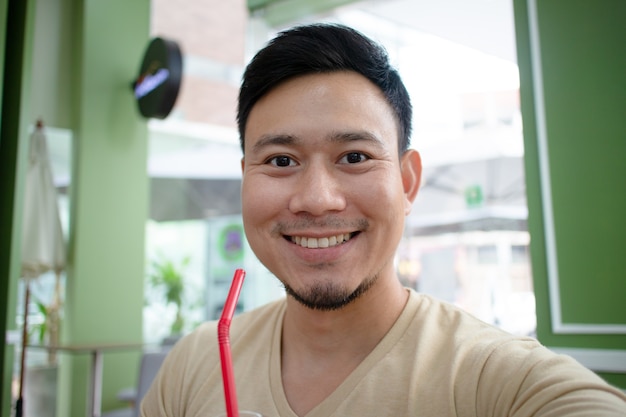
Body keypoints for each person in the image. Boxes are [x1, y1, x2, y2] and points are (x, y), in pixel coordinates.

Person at [141, 23, 626, 417]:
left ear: (408, 183)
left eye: (353, 156)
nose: (317, 200)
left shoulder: (494, 381)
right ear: (245, 177)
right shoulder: (197, 363)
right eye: (282, 161)